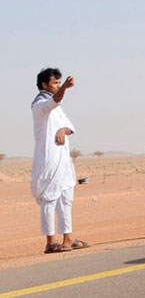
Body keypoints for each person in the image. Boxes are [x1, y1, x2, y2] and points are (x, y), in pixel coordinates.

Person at [31, 68, 90, 254]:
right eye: (55, 83)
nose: (58, 86)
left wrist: (62, 130)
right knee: (49, 198)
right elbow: (54, 101)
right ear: (44, 85)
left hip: (63, 160)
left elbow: (70, 126)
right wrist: (65, 87)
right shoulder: (40, 105)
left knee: (66, 199)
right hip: (48, 159)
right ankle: (50, 241)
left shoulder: (57, 109)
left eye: (59, 82)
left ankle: (68, 238)